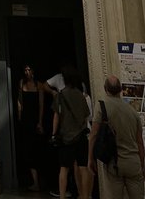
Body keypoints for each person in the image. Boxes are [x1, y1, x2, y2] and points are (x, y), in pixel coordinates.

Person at [88, 76, 145, 199]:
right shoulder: (132, 111)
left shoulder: (102, 106)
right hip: (133, 162)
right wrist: (142, 165)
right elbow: (140, 142)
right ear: (120, 90)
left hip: (114, 163)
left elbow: (93, 135)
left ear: (105, 89)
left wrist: (90, 158)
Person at [52, 66, 91, 199]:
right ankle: (85, 195)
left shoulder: (61, 95)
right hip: (80, 136)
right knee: (83, 167)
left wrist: (53, 133)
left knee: (64, 168)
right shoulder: (81, 95)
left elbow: (56, 116)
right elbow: (86, 116)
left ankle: (62, 196)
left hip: (66, 136)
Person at [17, 65, 45, 191]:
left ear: (33, 71)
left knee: (36, 150)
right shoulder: (22, 83)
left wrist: (39, 122)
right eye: (25, 70)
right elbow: (20, 101)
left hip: (35, 121)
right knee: (27, 150)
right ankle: (32, 181)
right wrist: (19, 117)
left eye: (29, 69)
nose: (27, 72)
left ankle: (38, 182)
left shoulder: (39, 85)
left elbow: (41, 104)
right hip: (25, 121)